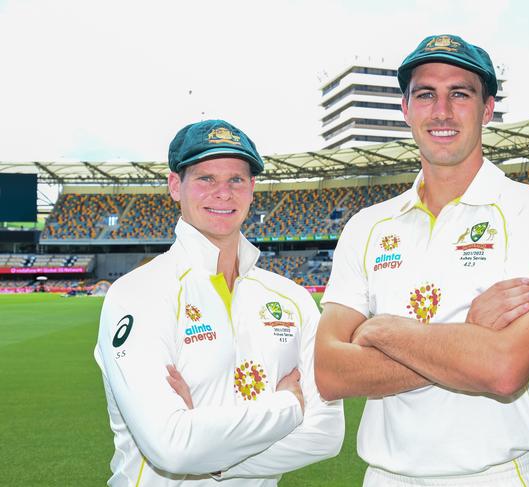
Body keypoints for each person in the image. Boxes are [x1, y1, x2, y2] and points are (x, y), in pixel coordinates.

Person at [315, 34, 529, 487]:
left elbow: (503, 371)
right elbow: (329, 371)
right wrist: (470, 339)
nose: (441, 111)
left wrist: (383, 330)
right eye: (425, 95)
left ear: (487, 108)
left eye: (460, 93)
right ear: (405, 109)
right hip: (385, 477)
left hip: (494, 476)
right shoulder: (367, 225)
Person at [94, 119, 344, 486]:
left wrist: (211, 455)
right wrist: (289, 407)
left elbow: (326, 436)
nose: (223, 193)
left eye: (236, 180)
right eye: (206, 179)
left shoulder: (292, 298)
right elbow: (172, 449)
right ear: (175, 186)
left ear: (252, 188)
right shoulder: (137, 293)